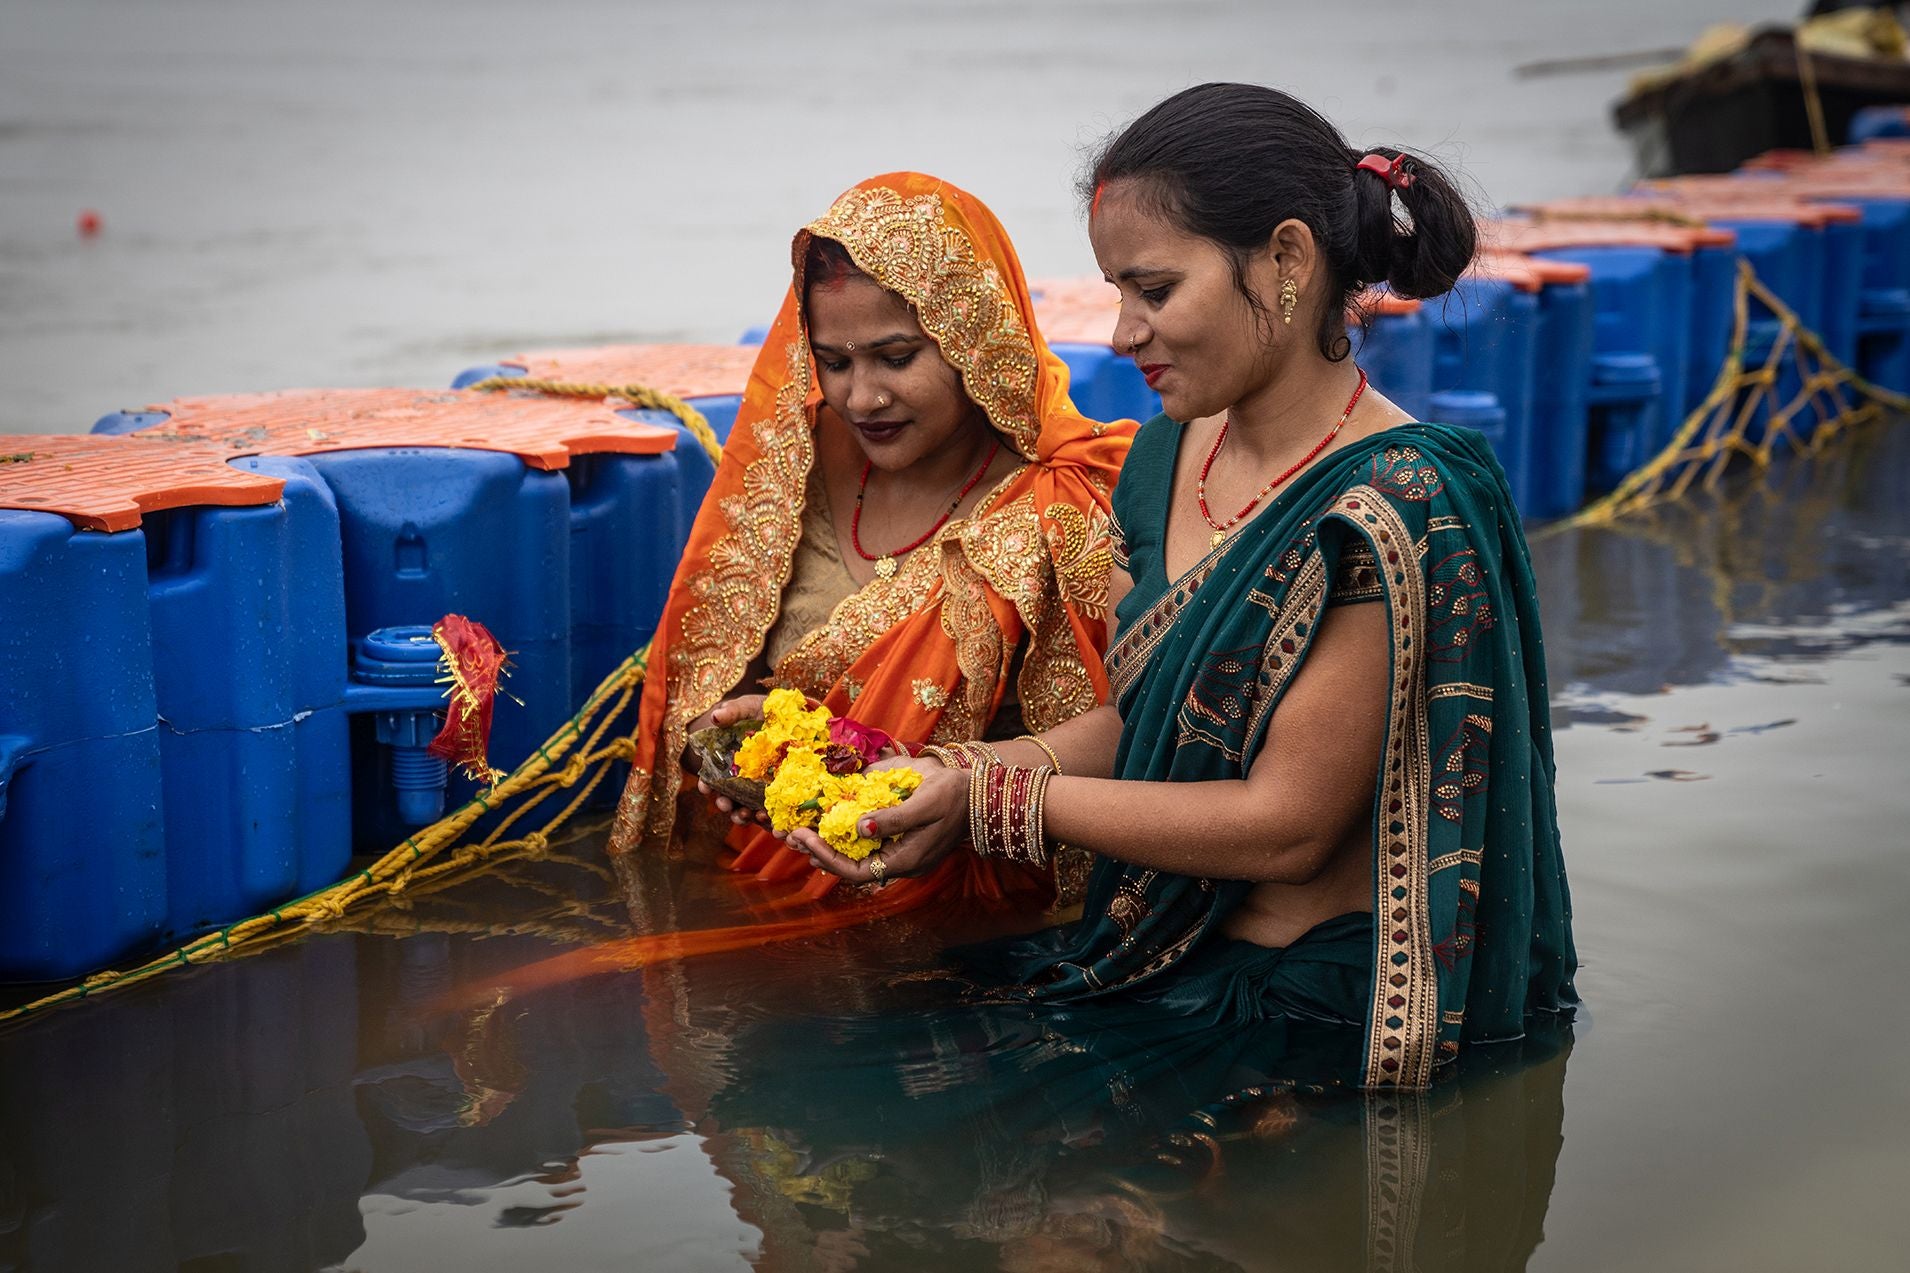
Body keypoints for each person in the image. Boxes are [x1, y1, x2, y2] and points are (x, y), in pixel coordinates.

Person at [791, 85, 1577, 1088]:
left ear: (1286, 261)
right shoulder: (1163, 458)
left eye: (1154, 291)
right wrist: (946, 775)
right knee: (832, 1062)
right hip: (1157, 950)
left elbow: (1287, 824)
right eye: (1117, 292)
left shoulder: (1392, 501)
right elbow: (1145, 722)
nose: (1123, 332)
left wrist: (1001, 802)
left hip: (1313, 1012)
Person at [606, 172, 1133, 934]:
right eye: (835, 360)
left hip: (971, 925)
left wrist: (958, 780)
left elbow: (1143, 731)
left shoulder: (1061, 504)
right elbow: (709, 666)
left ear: (974, 341)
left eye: (895, 356)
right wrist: (745, 747)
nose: (861, 397)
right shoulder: (794, 459)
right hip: (769, 874)